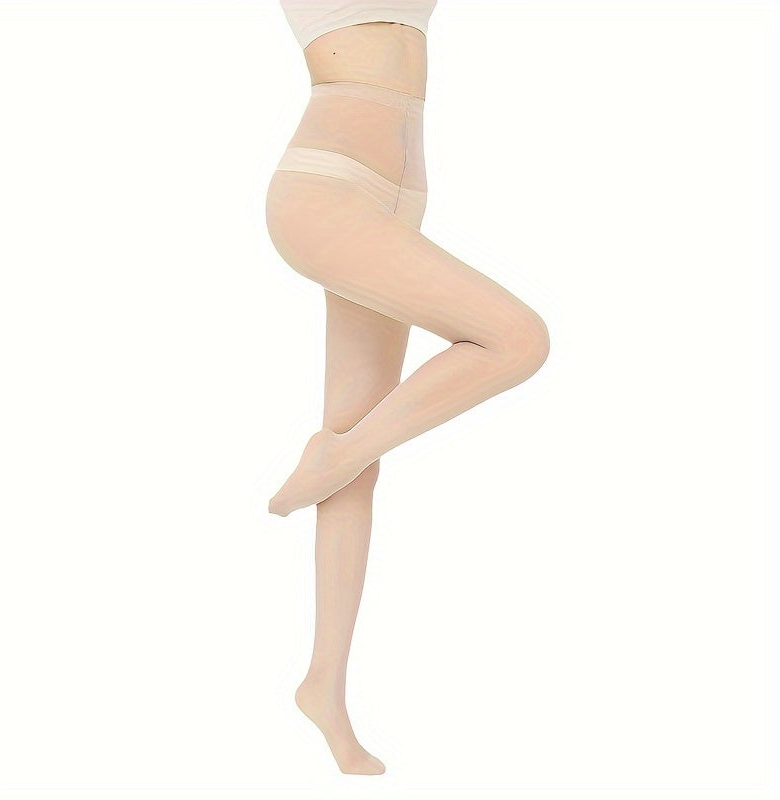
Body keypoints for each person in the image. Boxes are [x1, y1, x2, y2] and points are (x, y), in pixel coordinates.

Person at [265, 0, 550, 775]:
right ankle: (333, 456)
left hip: (396, 197)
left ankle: (324, 686)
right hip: (325, 188)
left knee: (358, 452)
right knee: (518, 338)